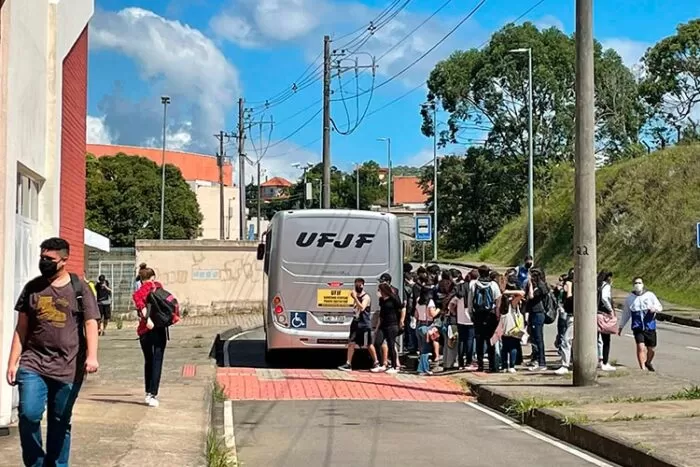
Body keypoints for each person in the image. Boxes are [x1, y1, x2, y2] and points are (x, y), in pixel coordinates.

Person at [6, 237, 100, 467]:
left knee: (60, 420)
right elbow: (21, 328)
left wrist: (92, 356)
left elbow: (91, 323)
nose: (44, 262)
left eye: (49, 259)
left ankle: (58, 464)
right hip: (33, 363)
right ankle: (36, 463)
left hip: (68, 366)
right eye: (42, 257)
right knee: (28, 414)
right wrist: (12, 362)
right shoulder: (33, 288)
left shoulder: (80, 289)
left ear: (64, 260)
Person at [132, 267, 168, 407]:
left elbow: (139, 303)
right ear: (153, 277)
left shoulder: (138, 293)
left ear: (141, 279)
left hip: (144, 330)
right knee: (157, 360)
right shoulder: (157, 286)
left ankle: (148, 392)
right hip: (159, 328)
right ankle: (153, 393)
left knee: (148, 361)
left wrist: (146, 320)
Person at [619, 277, 662, 372]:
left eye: (639, 283)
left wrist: (654, 309)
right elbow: (626, 313)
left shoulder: (650, 295)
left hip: (649, 326)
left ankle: (648, 362)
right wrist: (621, 326)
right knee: (640, 347)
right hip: (637, 327)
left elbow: (659, 306)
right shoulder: (630, 298)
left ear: (643, 284)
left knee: (651, 349)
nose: (637, 285)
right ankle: (642, 368)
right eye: (635, 283)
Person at [339, 278, 380, 371]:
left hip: (364, 323)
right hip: (355, 322)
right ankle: (348, 363)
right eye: (357, 284)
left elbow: (362, 308)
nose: (358, 286)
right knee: (351, 342)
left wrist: (355, 298)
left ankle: (376, 362)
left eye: (360, 285)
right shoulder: (355, 295)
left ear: (363, 285)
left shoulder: (366, 297)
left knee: (368, 344)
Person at [469, 265, 502, 372]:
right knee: (490, 340)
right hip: (490, 315)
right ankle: (492, 365)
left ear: (479, 272)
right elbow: (498, 300)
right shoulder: (493, 285)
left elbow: (470, 301)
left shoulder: (474, 284)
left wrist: (471, 314)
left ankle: (480, 365)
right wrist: (497, 314)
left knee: (479, 340)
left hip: (478, 315)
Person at [371, 283, 404, 374]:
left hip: (392, 324)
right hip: (383, 324)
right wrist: (377, 328)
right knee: (377, 342)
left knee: (391, 344)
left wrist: (401, 321)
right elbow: (381, 315)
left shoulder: (394, 298)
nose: (378, 292)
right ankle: (382, 364)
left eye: (379, 290)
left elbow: (402, 309)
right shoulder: (381, 300)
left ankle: (394, 366)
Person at [526, 268, 549, 371]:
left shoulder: (540, 286)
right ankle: (536, 360)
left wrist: (530, 284)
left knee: (538, 338)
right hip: (534, 313)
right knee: (534, 338)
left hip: (538, 313)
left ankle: (542, 362)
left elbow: (531, 296)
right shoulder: (539, 285)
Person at [555, 269, 575, 375]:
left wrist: (569, 290)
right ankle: (570, 362)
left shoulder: (575, 290)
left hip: (574, 318)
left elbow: (570, 303)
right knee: (570, 341)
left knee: (566, 340)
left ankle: (565, 365)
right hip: (570, 317)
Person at [597, 271, 617, 372]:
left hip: (594, 313)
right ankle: (604, 362)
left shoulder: (596, 285)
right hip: (603, 314)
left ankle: (596, 360)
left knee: (595, 339)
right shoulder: (606, 286)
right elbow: (605, 298)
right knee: (606, 340)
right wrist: (610, 310)